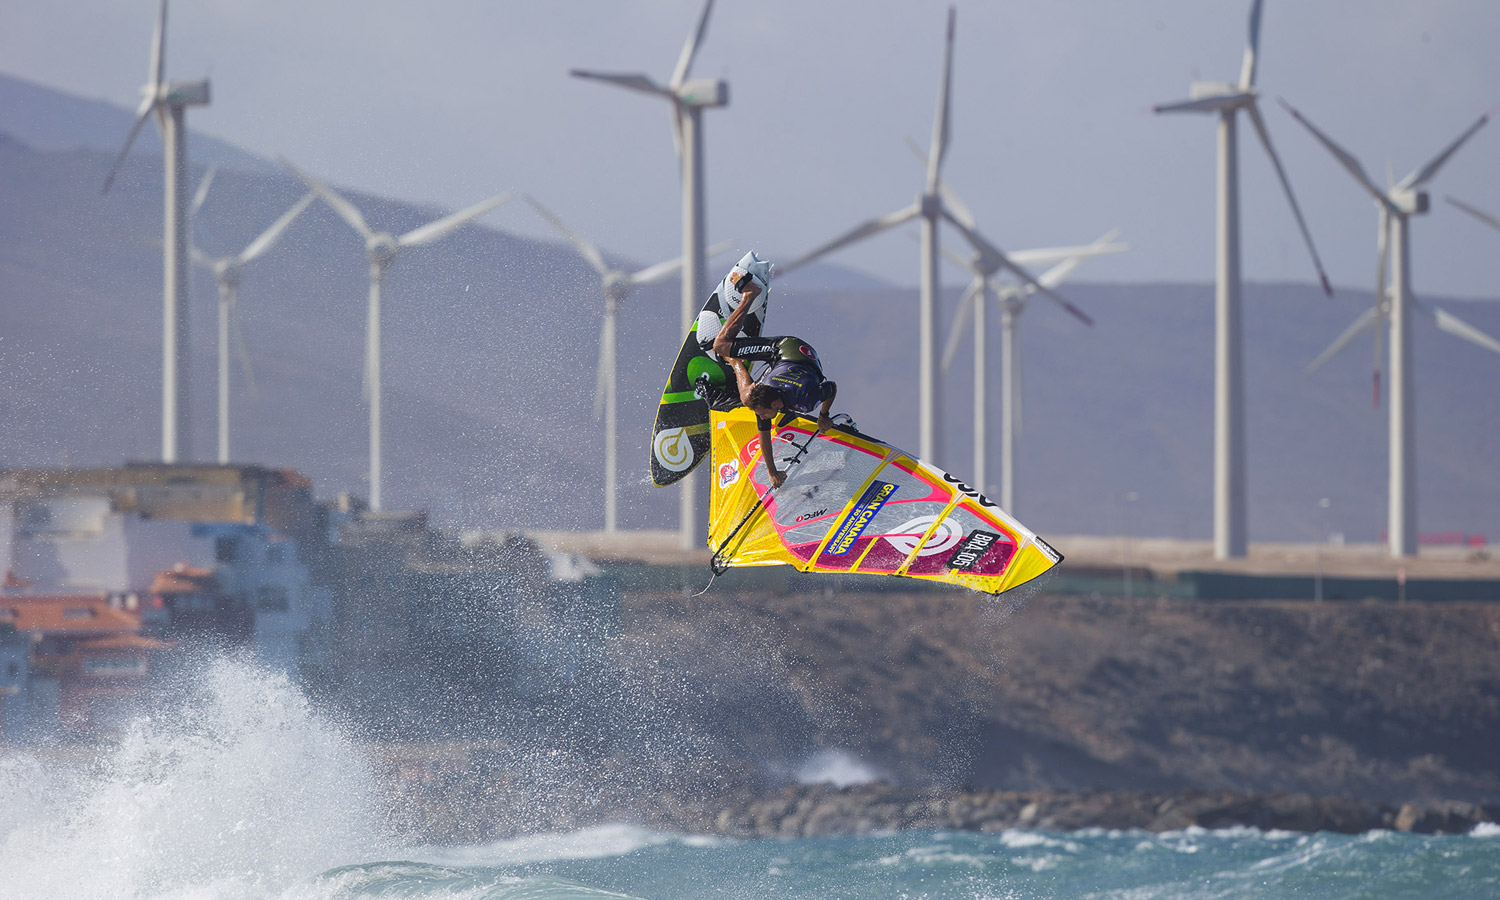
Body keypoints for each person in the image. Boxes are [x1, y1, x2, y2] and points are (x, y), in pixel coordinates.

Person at [710, 274, 839, 489]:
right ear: (775, 405)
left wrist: (823, 416)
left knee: (748, 399)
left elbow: (765, 435)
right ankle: (749, 299)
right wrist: (822, 415)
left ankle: (737, 354)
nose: (761, 417)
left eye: (762, 414)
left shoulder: (771, 405)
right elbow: (830, 387)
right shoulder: (805, 401)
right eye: (761, 414)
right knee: (721, 345)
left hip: (796, 361)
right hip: (788, 350)